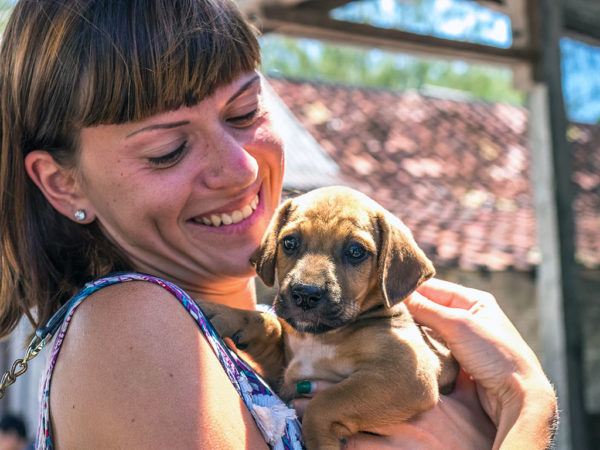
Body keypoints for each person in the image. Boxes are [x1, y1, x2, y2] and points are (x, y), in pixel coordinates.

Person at [0, 0, 557, 449]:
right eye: (167, 149)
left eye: (245, 112)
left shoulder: (259, 335)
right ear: (63, 182)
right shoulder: (133, 327)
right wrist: (528, 414)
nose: (239, 168)